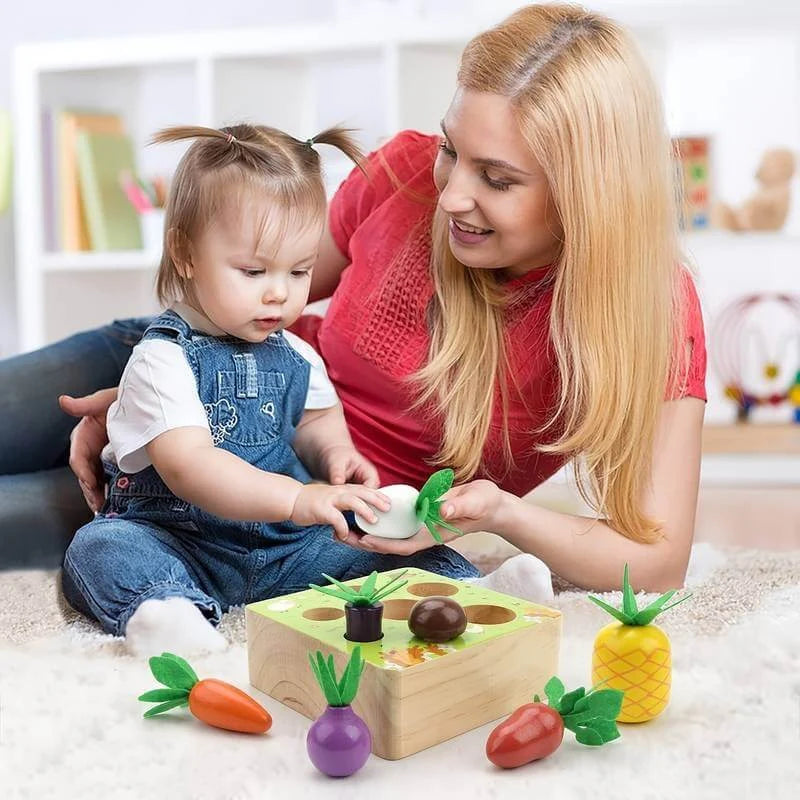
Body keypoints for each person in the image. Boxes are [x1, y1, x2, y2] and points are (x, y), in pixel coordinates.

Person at [0, 3, 705, 596]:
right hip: (192, 353)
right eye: (451, 149)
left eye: (497, 177)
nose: (453, 194)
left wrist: (504, 517)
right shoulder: (403, 172)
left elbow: (657, 559)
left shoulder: (652, 313)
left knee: (20, 520)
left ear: (588, 195)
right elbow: (264, 285)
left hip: (274, 493)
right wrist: (147, 394)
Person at [59, 123, 486, 656]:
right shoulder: (161, 360)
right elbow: (189, 467)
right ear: (186, 254)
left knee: (368, 543)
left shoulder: (296, 354)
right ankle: (164, 609)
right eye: (254, 270)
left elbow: (315, 419)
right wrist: (299, 497)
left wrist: (337, 454)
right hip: (185, 542)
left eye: (300, 270)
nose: (280, 294)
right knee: (102, 548)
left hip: (285, 550)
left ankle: (471, 592)